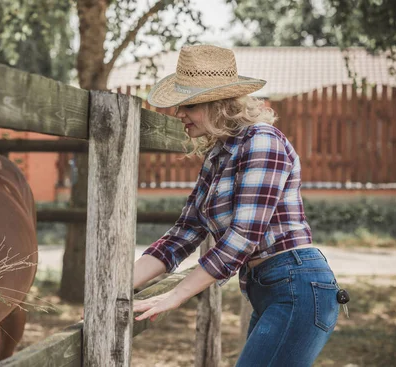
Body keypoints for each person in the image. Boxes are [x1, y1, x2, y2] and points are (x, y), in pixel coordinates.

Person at [132, 45, 343, 366]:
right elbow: (183, 233)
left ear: (218, 104)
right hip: (269, 288)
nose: (178, 114)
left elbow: (243, 238)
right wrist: (117, 283)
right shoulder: (218, 155)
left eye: (188, 104)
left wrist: (175, 295)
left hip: (297, 286)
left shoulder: (263, 142)